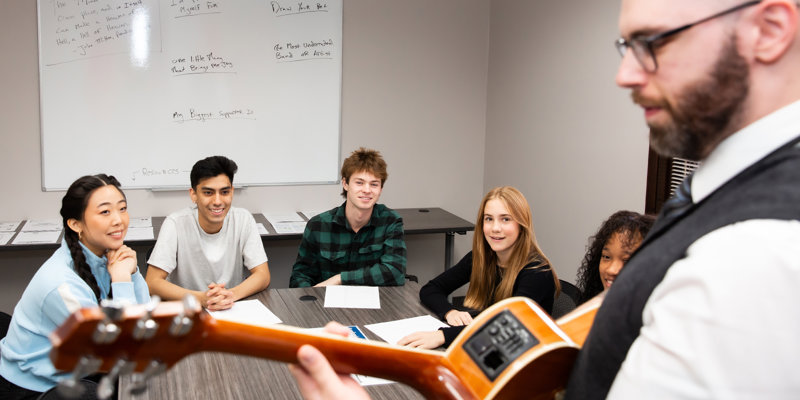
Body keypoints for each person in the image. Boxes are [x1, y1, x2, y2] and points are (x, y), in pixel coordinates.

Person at [566, 0, 800, 398]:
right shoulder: (722, 184)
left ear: (769, 30)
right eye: (628, 47)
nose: (625, 75)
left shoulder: (755, 251)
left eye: (654, 42)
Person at [0, 175, 150, 399]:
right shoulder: (61, 284)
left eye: (123, 208)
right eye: (105, 212)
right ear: (75, 223)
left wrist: (132, 274)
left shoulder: (104, 255)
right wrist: (121, 281)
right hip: (33, 388)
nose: (119, 220)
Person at [397, 186, 559, 349]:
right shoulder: (482, 257)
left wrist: (442, 335)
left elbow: (506, 330)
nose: (495, 228)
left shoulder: (537, 272)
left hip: (523, 360)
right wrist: (450, 312)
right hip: (491, 350)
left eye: (505, 219)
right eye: (489, 219)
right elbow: (431, 289)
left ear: (521, 225)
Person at [146, 156, 270, 311]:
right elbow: (152, 282)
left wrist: (230, 295)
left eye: (224, 192)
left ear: (232, 192)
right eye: (208, 192)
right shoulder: (176, 223)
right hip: (188, 310)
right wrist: (201, 299)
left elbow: (263, 275)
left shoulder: (243, 219)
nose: (217, 201)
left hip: (231, 309)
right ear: (194, 195)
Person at [289, 147, 407, 287]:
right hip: (326, 304)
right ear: (345, 184)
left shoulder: (390, 222)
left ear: (380, 189)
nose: (367, 190)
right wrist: (311, 297)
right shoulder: (318, 225)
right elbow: (300, 276)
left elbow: (395, 272)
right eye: (359, 182)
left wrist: (340, 279)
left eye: (374, 184)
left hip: (375, 304)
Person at [575, 210, 654, 304]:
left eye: (627, 260)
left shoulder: (660, 316)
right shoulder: (594, 311)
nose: (611, 270)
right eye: (607, 257)